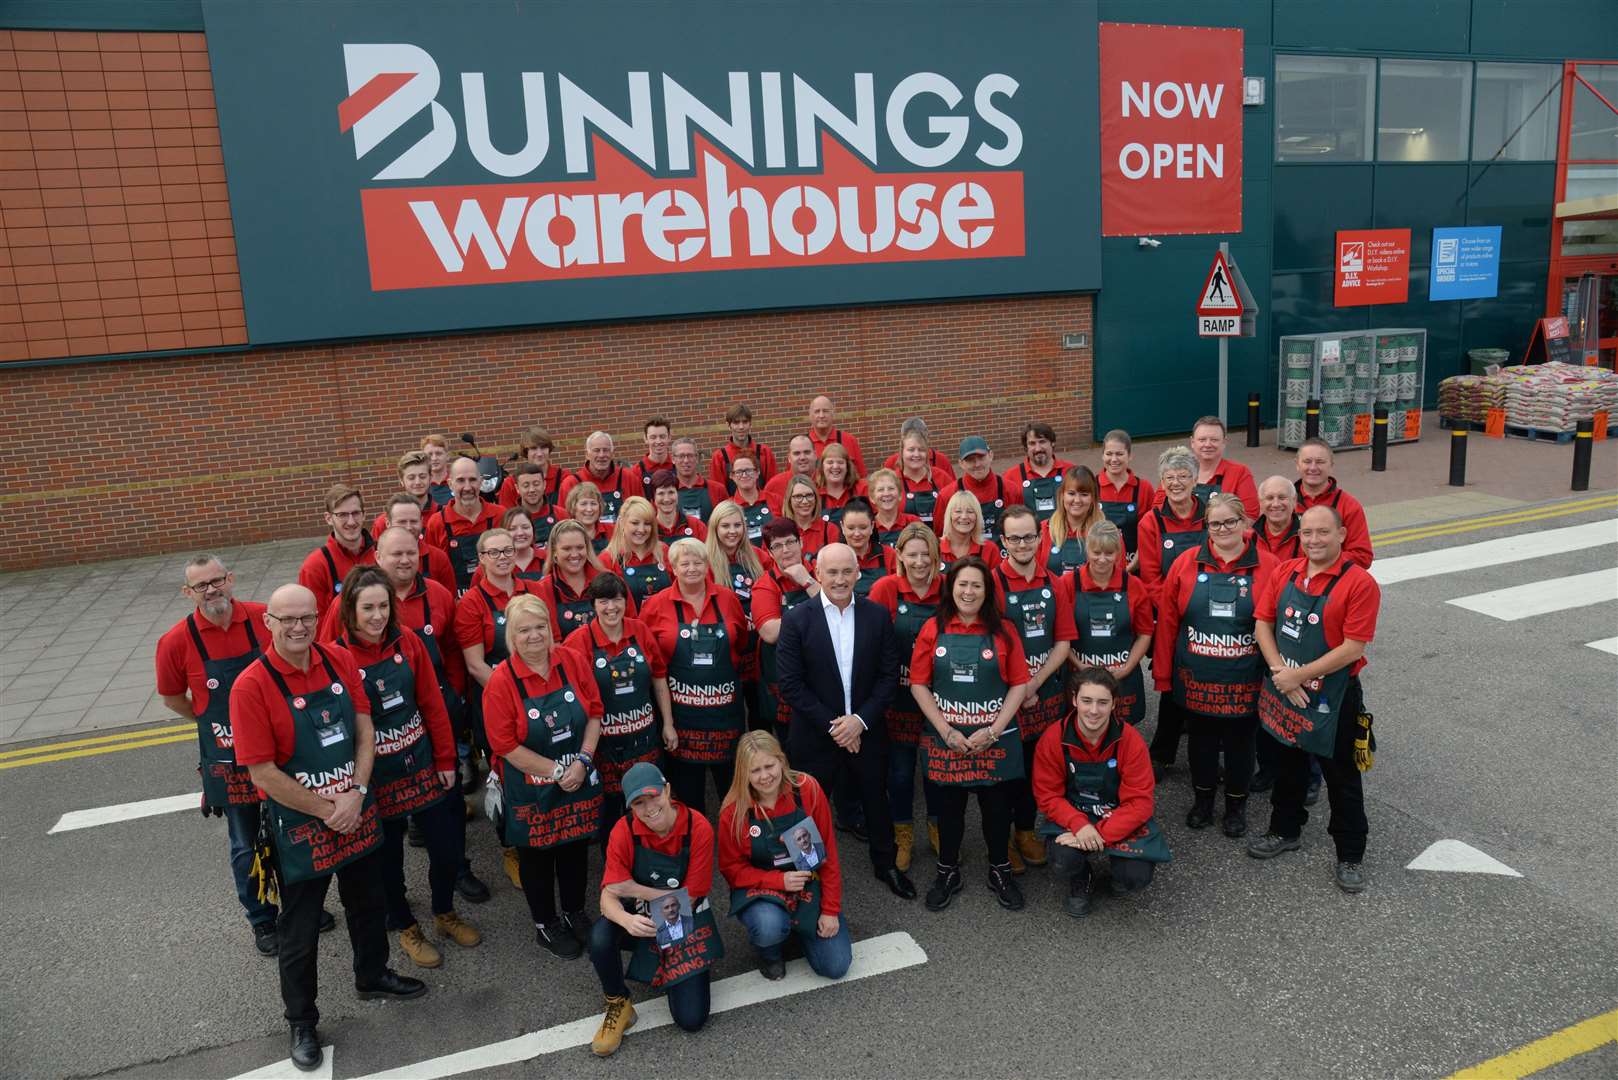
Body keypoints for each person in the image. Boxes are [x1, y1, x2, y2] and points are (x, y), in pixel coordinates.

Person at [231, 584, 425, 1072]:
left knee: (368, 900)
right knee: (299, 930)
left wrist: (357, 793)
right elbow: (262, 773)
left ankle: (373, 974)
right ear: (269, 623)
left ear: (319, 618)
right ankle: (301, 1020)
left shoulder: (339, 659)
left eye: (307, 618)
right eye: (287, 619)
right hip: (301, 823)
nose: (299, 628)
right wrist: (327, 808)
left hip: (354, 806)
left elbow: (365, 729)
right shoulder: (250, 686)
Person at [329, 567, 480, 968]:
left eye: (383, 606)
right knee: (388, 860)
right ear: (351, 610)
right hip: (376, 776)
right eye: (368, 608)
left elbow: (431, 702)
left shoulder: (408, 641)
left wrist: (447, 759)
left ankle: (444, 912)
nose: (377, 616)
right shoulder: (337, 657)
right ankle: (405, 925)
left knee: (448, 850)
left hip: (423, 764)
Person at [1249, 505, 1382, 894]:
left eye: (1323, 532)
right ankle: (1284, 830)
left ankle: (1350, 854)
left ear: (1341, 535)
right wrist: (1281, 675)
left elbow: (1352, 648)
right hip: (1285, 686)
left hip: (1334, 697)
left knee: (1340, 776)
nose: (1313, 540)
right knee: (1286, 763)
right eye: (1307, 533)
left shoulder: (1359, 584)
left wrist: (1298, 676)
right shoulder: (1285, 571)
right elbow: (1263, 624)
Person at [776, 543, 915, 899]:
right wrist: (838, 726)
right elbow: (791, 684)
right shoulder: (796, 618)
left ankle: (885, 864)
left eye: (846, 572)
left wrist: (860, 721)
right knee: (805, 809)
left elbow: (888, 676)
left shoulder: (876, 615)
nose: (839, 579)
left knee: (875, 800)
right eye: (832, 572)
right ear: (817, 573)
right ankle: (804, 876)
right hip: (816, 735)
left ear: (858, 573)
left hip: (866, 731)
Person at [155, 554, 277, 953]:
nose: (213, 590)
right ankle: (262, 919)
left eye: (217, 581)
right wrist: (211, 724)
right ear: (188, 593)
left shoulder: (265, 619)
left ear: (231, 579)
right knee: (245, 843)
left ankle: (297, 903)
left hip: (278, 749)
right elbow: (174, 698)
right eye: (202, 586)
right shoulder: (175, 642)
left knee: (289, 831)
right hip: (228, 759)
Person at [482, 594, 605, 955]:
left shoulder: (573, 660)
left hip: (577, 775)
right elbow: (504, 745)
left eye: (541, 627)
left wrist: (582, 760)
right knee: (537, 856)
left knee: (575, 848)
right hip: (530, 786)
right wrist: (558, 770)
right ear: (511, 637)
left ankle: (574, 911)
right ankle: (545, 923)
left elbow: (595, 712)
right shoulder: (501, 681)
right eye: (524, 630)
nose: (534, 636)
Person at [373, 526, 490, 903]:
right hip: (386, 728)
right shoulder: (364, 601)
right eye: (396, 554)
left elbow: (455, 650)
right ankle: (394, 896)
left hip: (437, 715)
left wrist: (453, 693)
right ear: (378, 557)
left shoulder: (438, 595)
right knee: (388, 813)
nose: (405, 560)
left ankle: (458, 869)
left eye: (411, 553)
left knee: (448, 798)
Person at [1152, 493, 1279, 838]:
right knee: (1201, 742)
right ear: (1205, 526)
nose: (1222, 529)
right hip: (1197, 679)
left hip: (1246, 679)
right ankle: (1203, 801)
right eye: (1214, 523)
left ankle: (1236, 806)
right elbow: (1166, 624)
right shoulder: (1185, 562)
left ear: (1245, 523)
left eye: (1229, 522)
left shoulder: (1270, 566)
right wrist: (1163, 674)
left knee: (1241, 744)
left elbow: (1278, 629)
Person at [908, 556, 1030, 912]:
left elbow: (1019, 684)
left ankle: (1000, 870)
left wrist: (993, 731)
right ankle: (947, 871)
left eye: (977, 584)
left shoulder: (1005, 630)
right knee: (948, 810)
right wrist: (946, 731)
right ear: (951, 588)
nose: (968, 591)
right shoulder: (934, 628)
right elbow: (918, 684)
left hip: (994, 738)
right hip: (948, 739)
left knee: (996, 810)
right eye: (962, 583)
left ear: (987, 591)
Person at [588, 763, 718, 1056]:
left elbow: (689, 898)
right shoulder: (622, 831)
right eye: (638, 803)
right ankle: (618, 1003)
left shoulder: (698, 827)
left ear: (668, 790)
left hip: (683, 917)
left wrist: (633, 889)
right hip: (640, 918)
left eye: (653, 797)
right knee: (600, 937)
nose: (649, 809)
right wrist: (626, 919)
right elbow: (607, 898)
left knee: (692, 1020)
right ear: (629, 806)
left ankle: (676, 967)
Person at [1033, 666, 1169, 918]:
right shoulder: (1053, 738)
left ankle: (1118, 874)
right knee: (1063, 860)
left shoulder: (1131, 741)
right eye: (1086, 701)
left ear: (1114, 704)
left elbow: (1139, 803)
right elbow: (1047, 795)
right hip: (1074, 813)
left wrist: (1099, 835)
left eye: (1102, 702)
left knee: (1135, 877)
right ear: (1074, 699)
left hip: (1118, 817)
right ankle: (1082, 876)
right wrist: (1079, 825)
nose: (1093, 710)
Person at [718, 731, 853, 980]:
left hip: (808, 884)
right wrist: (778, 882)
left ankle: (801, 925)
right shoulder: (733, 811)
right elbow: (731, 870)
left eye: (769, 765)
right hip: (760, 888)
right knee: (769, 927)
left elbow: (829, 856)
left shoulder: (807, 789)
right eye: (755, 770)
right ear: (743, 772)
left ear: (781, 760)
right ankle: (771, 952)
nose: (765, 776)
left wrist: (830, 910)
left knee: (836, 966)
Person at [993, 505, 1077, 873]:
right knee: (1005, 770)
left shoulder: (1055, 583)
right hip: (1004, 696)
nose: (1023, 544)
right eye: (1014, 538)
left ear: (1040, 538)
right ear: (1003, 542)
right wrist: (1017, 688)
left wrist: (1034, 684)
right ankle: (1002, 839)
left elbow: (1063, 644)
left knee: (1034, 766)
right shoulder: (991, 583)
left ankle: (1026, 831)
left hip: (1043, 693)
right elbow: (985, 642)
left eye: (1029, 536)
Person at [561, 572, 674, 844]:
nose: (611, 608)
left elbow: (659, 677)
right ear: (593, 605)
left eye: (617, 600)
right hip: (604, 748)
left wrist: (668, 723)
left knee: (651, 806)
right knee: (612, 818)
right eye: (603, 601)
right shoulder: (578, 642)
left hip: (644, 739)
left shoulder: (640, 630)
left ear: (626, 601)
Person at [642, 538, 750, 819]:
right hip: (681, 720)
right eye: (684, 563)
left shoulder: (727, 598)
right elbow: (650, 659)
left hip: (726, 717)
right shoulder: (655, 605)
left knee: (733, 793)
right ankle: (695, 849)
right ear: (673, 568)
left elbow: (741, 645)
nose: (692, 568)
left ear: (707, 565)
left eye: (697, 562)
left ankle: (738, 846)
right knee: (688, 799)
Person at [867, 524, 945, 870]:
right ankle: (903, 836)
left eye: (924, 554)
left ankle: (938, 827)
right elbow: (868, 641)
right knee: (899, 774)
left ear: (935, 556)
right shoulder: (885, 588)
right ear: (898, 555)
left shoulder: (947, 588)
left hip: (939, 698)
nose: (918, 561)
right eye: (911, 554)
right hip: (897, 697)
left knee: (935, 770)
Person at [1071, 522, 1153, 727]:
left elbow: (1145, 633)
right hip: (1080, 677)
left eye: (1108, 553)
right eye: (1096, 552)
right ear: (1087, 550)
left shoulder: (1134, 586)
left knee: (1123, 732)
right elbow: (1060, 636)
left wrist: (1126, 669)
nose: (1101, 559)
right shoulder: (1068, 584)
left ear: (1118, 553)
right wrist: (1080, 666)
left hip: (1123, 677)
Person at [752, 520, 817, 738]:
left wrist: (807, 582)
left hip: (820, 674)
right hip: (784, 680)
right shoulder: (765, 585)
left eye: (790, 542)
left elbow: (839, 611)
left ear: (802, 542)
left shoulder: (820, 571)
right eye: (777, 546)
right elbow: (770, 632)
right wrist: (814, 612)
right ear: (769, 552)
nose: (786, 550)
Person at [1136, 444, 1207, 604]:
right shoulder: (1150, 522)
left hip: (1207, 606)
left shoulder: (1212, 516)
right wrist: (1173, 609)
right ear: (1162, 481)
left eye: (1183, 476)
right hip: (1167, 606)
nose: (1176, 483)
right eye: (1169, 477)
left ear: (1195, 480)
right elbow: (1151, 579)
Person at [532, 518, 626, 638]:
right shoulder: (542, 590)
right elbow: (550, 641)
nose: (575, 554)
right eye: (567, 549)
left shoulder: (611, 580)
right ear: (554, 552)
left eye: (580, 547)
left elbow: (628, 624)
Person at [426, 456, 504, 594]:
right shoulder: (437, 523)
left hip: (498, 600)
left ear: (480, 482)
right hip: (456, 603)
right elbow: (433, 573)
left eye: (472, 480)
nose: (467, 487)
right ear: (450, 484)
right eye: (461, 480)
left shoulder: (500, 515)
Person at [298, 483, 377, 616]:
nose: (351, 522)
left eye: (356, 513)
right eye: (342, 515)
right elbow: (315, 622)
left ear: (364, 515)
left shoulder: (384, 554)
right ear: (328, 518)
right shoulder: (315, 566)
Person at [1294, 439, 1374, 569]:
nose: (1313, 467)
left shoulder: (1349, 506)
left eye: (1320, 462)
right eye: (1307, 461)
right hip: (1289, 581)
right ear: (1297, 464)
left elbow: (1363, 557)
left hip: (1333, 582)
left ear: (1331, 465)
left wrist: (1320, 561)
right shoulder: (1283, 504)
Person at [936, 436, 1019, 543]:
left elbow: (1019, 530)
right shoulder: (947, 495)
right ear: (961, 463)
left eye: (981, 457)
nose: (977, 464)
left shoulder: (1011, 490)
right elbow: (940, 534)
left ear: (991, 455)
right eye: (970, 460)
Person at [377, 494, 457, 597]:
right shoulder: (378, 561)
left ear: (421, 521)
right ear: (388, 523)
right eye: (402, 522)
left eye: (413, 521)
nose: (409, 527)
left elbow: (450, 602)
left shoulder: (438, 558)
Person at [1097, 430, 1155, 568]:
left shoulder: (1144, 488)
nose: (1114, 459)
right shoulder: (1091, 486)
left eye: (1120, 454)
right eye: (1109, 454)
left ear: (1130, 456)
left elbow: (1150, 533)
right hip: (1099, 568)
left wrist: (1131, 567)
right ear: (1102, 455)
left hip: (1135, 566)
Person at [601, 496, 670, 607]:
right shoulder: (608, 559)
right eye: (635, 523)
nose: (641, 529)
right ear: (622, 523)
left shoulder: (663, 551)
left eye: (647, 524)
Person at [1187, 415, 1260, 520]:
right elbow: (1159, 509)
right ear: (1192, 442)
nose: (1208, 444)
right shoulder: (1177, 473)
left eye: (1214, 440)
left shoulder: (1239, 473)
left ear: (1224, 442)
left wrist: (1221, 531)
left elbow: (1250, 517)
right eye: (1202, 440)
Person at [1039, 466, 1105, 578]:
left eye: (1084, 494)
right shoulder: (1044, 529)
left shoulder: (1106, 532)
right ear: (1062, 495)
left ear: (1093, 498)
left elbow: (1118, 577)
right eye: (1071, 493)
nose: (1077, 500)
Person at [1003, 422, 1072, 524]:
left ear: (1052, 443)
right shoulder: (1010, 477)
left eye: (1042, 442)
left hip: (1064, 534)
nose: (1038, 448)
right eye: (1032, 443)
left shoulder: (1071, 471)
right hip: (1028, 537)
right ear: (1026, 447)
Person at [561, 431, 633, 524]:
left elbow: (642, 514)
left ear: (612, 454)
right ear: (587, 454)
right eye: (596, 450)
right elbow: (564, 524)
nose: (601, 455)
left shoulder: (628, 478)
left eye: (606, 450)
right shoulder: (571, 484)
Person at [895, 424, 957, 529]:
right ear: (901, 452)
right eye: (911, 450)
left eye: (921, 450)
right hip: (905, 543)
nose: (916, 454)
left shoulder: (941, 477)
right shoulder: (893, 480)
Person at [496, 428, 565, 519]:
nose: (539, 453)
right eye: (534, 448)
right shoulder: (510, 484)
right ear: (526, 452)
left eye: (543, 447)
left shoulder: (563, 477)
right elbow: (506, 520)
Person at [710, 403, 779, 489]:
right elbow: (718, 493)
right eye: (736, 422)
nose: (741, 427)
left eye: (745, 422)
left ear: (750, 424)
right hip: (731, 502)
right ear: (728, 426)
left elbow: (773, 488)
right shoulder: (719, 457)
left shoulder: (764, 452)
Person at [780, 473, 840, 564]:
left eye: (809, 495)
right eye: (798, 496)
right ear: (789, 500)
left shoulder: (830, 530)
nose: (805, 501)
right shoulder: (779, 532)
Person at [502, 463, 562, 552]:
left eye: (536, 484)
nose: (532, 490)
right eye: (526, 486)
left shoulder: (561, 514)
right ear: (517, 488)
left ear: (544, 484)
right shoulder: (508, 521)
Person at [371, 451, 433, 537]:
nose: (417, 482)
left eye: (422, 476)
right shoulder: (382, 523)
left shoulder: (442, 517)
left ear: (430, 478)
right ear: (401, 481)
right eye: (411, 478)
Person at [937, 489, 1002, 571]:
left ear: (977, 517)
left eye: (970, 512)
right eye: (958, 511)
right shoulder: (935, 548)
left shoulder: (990, 550)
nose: (964, 516)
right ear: (949, 516)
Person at [835, 500, 889, 598]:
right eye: (851, 528)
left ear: (872, 526)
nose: (857, 534)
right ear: (842, 527)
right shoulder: (832, 557)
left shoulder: (889, 555)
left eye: (863, 527)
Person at [670, 437, 728, 524]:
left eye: (690, 455)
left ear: (697, 458)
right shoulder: (666, 493)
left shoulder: (717, 489)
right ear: (673, 459)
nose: (686, 461)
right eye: (681, 456)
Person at [806, 394, 867, 477]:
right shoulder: (802, 445)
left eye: (825, 411)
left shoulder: (849, 440)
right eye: (817, 411)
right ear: (810, 416)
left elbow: (861, 476)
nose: (821, 415)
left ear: (833, 414)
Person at [861, 468, 920, 553]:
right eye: (881, 490)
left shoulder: (913, 522)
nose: (886, 493)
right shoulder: (867, 525)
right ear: (872, 498)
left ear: (900, 494)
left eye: (891, 488)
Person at [762, 435, 821, 512]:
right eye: (797, 453)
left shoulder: (826, 481)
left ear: (815, 454)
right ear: (789, 458)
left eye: (807, 452)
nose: (802, 457)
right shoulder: (774, 485)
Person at [725, 451, 774, 543]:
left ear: (757, 472)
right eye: (739, 472)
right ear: (732, 476)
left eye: (749, 471)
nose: (744, 475)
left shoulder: (775, 500)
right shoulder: (726, 508)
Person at [650, 469, 708, 543]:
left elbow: (708, 553)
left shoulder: (696, 525)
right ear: (653, 497)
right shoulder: (649, 530)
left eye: (671, 492)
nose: (667, 499)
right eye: (661, 493)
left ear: (677, 494)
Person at [1255, 475, 1302, 561]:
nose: (1276, 504)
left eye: (1282, 497)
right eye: (1270, 498)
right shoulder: (1248, 538)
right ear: (1260, 502)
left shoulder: (1307, 537)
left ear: (1294, 500)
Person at [882, 416, 950, 474]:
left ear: (927, 437)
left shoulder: (941, 460)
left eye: (920, 437)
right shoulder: (891, 462)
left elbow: (953, 487)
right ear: (902, 440)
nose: (916, 454)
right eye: (911, 449)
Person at [626, 417, 674, 500]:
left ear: (669, 437)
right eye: (653, 437)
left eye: (662, 436)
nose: (658, 441)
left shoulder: (678, 466)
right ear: (645, 439)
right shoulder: (635, 472)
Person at [563, 480, 615, 554]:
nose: (589, 509)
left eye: (593, 503)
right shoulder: (564, 534)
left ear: (600, 506)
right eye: (583, 504)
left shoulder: (612, 530)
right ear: (574, 507)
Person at [814, 442, 857, 527]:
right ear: (822, 467)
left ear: (847, 466)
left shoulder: (861, 488)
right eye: (830, 462)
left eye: (840, 462)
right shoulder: (813, 493)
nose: (835, 466)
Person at [421, 433, 453, 507]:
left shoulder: (458, 481)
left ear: (447, 456)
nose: (434, 458)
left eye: (438, 453)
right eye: (430, 454)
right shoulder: (420, 486)